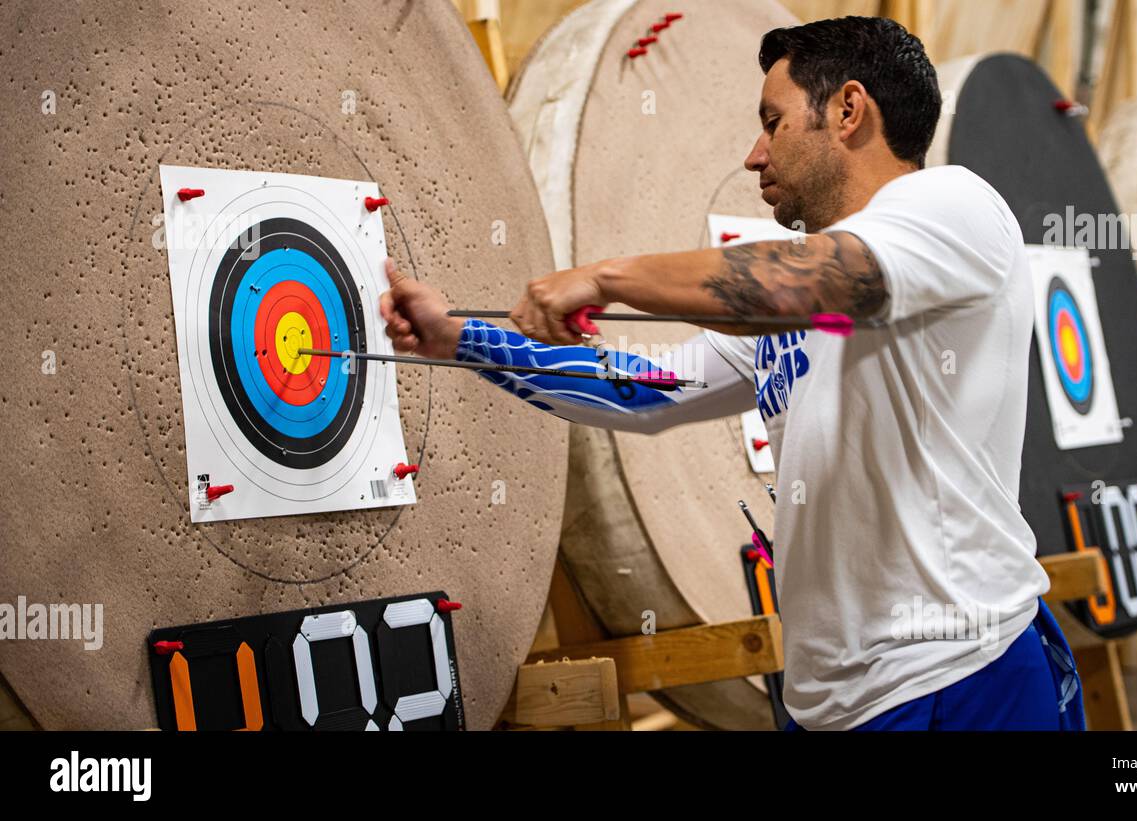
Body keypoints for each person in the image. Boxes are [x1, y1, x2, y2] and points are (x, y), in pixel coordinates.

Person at [380, 16, 1083, 731]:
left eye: (773, 122)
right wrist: (460, 340)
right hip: (832, 703)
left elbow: (801, 282)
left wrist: (604, 278)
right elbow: (640, 388)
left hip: (966, 678)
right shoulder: (806, 298)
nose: (754, 154)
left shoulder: (952, 207)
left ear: (848, 109)